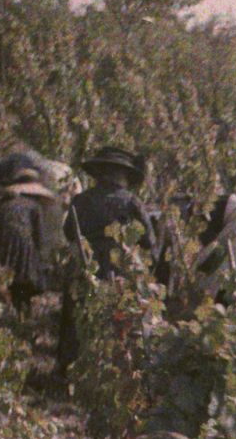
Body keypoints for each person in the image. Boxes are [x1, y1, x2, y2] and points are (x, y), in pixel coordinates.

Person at [60, 146, 165, 374]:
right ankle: (117, 371)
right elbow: (149, 241)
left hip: (85, 268)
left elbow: (69, 232)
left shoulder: (80, 200)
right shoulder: (131, 202)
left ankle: (70, 369)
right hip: (120, 272)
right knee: (121, 323)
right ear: (123, 176)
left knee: (76, 318)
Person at [0, 147, 70, 318]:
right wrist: (43, 261)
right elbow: (39, 238)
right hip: (26, 255)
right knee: (25, 290)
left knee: (10, 290)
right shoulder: (33, 207)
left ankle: (12, 318)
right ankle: (24, 316)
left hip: (5, 254)